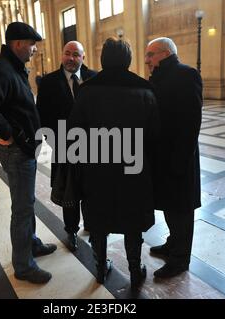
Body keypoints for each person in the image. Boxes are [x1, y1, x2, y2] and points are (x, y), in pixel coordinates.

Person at [68, 38, 160, 289]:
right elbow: (154, 136)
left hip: (97, 169)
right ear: (129, 61)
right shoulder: (144, 90)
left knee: (98, 220)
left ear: (102, 60)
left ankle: (99, 268)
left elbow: (75, 134)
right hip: (134, 168)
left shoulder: (86, 91)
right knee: (133, 220)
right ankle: (134, 269)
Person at [0, 22, 57, 284]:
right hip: (17, 151)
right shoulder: (1, 70)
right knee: (21, 208)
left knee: (26, 202)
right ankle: (24, 265)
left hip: (24, 147)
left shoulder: (13, 68)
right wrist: (9, 133)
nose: (34, 50)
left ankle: (31, 244)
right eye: (31, 45)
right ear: (17, 43)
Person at [145, 37, 203, 279]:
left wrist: (180, 159)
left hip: (180, 158)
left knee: (181, 208)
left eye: (151, 54)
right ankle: (172, 244)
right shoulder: (159, 77)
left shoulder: (186, 74)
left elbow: (191, 122)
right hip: (163, 157)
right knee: (170, 205)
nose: (147, 60)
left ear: (166, 53)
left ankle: (180, 259)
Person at [37, 41, 97, 252]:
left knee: (91, 189)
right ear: (62, 55)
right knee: (70, 192)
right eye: (67, 54)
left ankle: (91, 224)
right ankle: (71, 230)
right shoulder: (48, 82)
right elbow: (43, 116)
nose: (71, 58)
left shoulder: (94, 77)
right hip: (64, 147)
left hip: (92, 147)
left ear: (83, 57)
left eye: (76, 55)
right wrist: (55, 142)